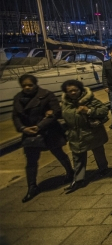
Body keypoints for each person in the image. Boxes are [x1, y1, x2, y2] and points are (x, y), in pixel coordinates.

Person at [13, 74, 74, 202]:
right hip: (30, 134)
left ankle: (70, 172)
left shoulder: (46, 95)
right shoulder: (18, 98)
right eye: (25, 86)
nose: (27, 87)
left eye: (30, 85)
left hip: (49, 132)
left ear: (35, 84)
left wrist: (39, 126)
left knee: (58, 153)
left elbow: (56, 111)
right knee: (31, 161)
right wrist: (23, 128)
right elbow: (16, 116)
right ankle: (32, 186)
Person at [61, 79, 110, 193]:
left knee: (98, 151)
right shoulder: (65, 104)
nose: (73, 93)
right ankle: (78, 180)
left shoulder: (89, 100)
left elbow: (103, 110)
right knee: (78, 157)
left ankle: (103, 168)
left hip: (92, 133)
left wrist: (88, 111)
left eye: (75, 90)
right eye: (70, 91)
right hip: (75, 135)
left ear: (80, 90)